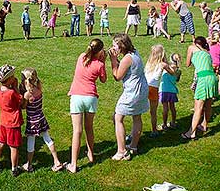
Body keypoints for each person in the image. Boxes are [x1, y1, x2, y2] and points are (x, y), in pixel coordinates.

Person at [66, 39, 107, 173]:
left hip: (76, 97)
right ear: (100, 51)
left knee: (77, 131)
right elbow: (103, 80)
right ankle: (90, 154)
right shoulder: (100, 64)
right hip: (91, 98)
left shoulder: (81, 57)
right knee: (89, 128)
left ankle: (73, 164)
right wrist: (103, 61)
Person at [108, 33, 149, 159]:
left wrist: (113, 61)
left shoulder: (127, 59)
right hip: (142, 89)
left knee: (118, 117)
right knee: (137, 117)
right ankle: (133, 146)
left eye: (115, 45)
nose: (113, 47)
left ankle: (121, 151)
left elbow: (117, 76)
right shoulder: (134, 53)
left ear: (121, 46)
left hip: (133, 92)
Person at [19, 68, 63, 172]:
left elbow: (23, 107)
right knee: (48, 139)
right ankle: (57, 162)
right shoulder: (38, 87)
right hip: (41, 117)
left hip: (32, 121)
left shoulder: (27, 94)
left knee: (31, 142)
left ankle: (29, 165)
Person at [182, 37, 218, 140]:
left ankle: (191, 133)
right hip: (213, 78)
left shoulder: (192, 47)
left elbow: (187, 64)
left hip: (203, 78)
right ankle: (204, 125)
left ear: (195, 43)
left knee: (198, 108)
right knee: (208, 105)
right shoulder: (207, 52)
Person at [0, 64, 24, 177]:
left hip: (3, 121)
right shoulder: (11, 93)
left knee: (1, 144)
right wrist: (16, 87)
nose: (14, 77)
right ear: (9, 79)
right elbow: (21, 100)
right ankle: (14, 168)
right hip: (13, 122)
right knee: (13, 147)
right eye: (13, 76)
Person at [145, 44, 173, 137]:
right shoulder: (163, 64)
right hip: (153, 89)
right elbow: (172, 72)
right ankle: (154, 130)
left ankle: (135, 131)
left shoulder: (149, 62)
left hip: (144, 87)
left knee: (139, 111)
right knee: (153, 112)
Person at [159, 53, 181, 130]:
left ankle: (164, 124)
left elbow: (163, 62)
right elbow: (177, 80)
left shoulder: (167, 67)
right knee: (172, 107)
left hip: (164, 90)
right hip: (172, 91)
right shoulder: (178, 70)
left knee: (165, 108)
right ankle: (173, 122)